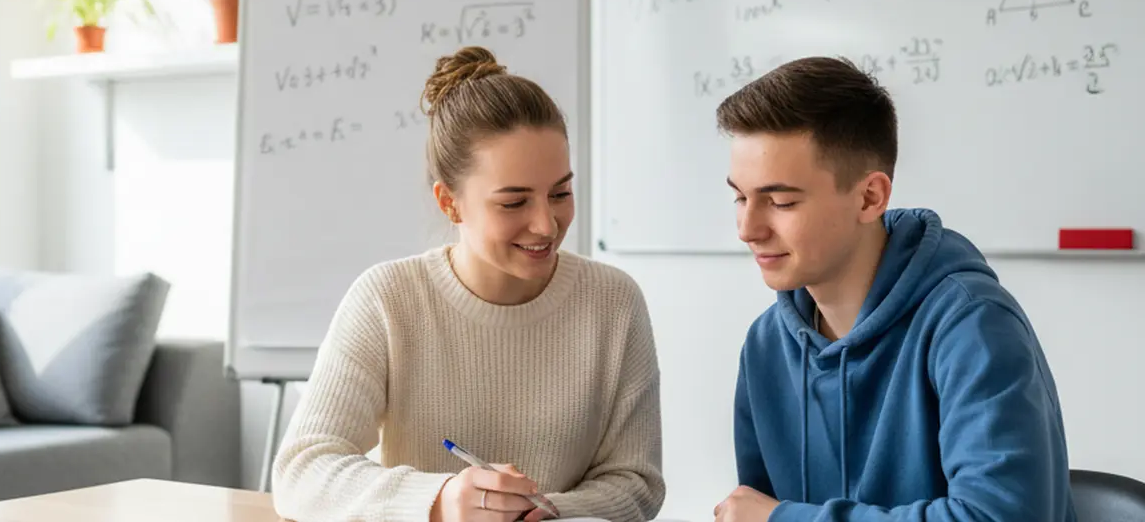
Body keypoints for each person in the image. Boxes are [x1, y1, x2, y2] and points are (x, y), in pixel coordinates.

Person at [270, 45, 666, 522]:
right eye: (514, 202)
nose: (546, 224)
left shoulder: (614, 302)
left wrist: (537, 513)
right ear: (450, 203)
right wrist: (441, 502)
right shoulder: (387, 299)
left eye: (560, 192)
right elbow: (302, 470)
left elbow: (637, 482)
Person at [715, 56, 1076, 522]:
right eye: (740, 197)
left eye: (781, 201)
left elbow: (997, 518)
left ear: (870, 197)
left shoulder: (973, 325)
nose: (747, 229)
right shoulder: (766, 344)